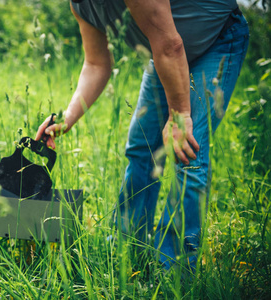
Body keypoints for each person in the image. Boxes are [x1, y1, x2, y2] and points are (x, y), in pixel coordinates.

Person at [35, 0, 249, 271]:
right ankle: (126, 252)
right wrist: (68, 118)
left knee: (188, 155)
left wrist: (180, 115)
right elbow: (96, 64)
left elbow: (171, 45)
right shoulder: (80, 4)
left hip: (214, 42)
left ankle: (173, 272)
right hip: (165, 53)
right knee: (141, 149)